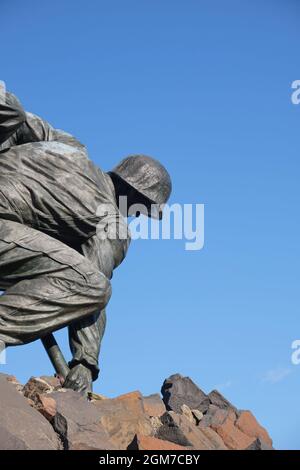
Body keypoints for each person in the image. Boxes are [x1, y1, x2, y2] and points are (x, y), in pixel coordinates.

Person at [0, 81, 172, 393]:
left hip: (11, 227)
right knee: (93, 286)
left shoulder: (69, 145)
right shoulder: (113, 223)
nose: (138, 216)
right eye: (143, 210)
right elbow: (90, 286)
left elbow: (18, 119)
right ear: (138, 198)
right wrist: (85, 361)